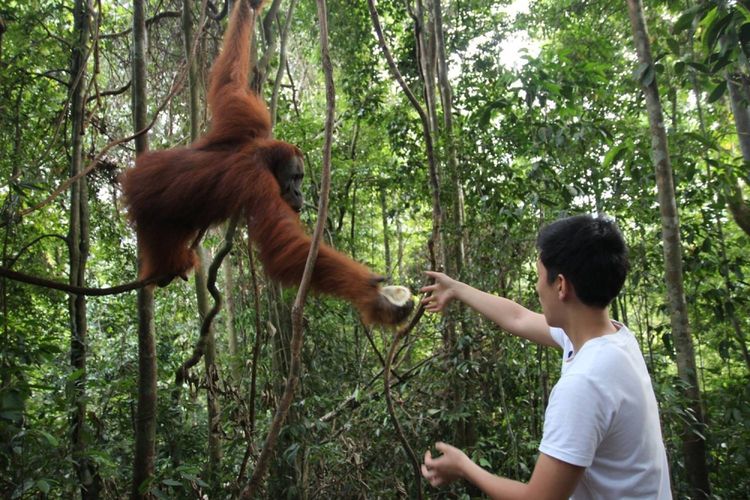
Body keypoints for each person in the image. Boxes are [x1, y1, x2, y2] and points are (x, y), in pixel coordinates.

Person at [420, 214, 671, 499]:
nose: (538, 288)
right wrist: (456, 288)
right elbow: (518, 317)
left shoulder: (585, 383)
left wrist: (465, 467)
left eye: (540, 276)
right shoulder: (613, 339)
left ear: (561, 285)